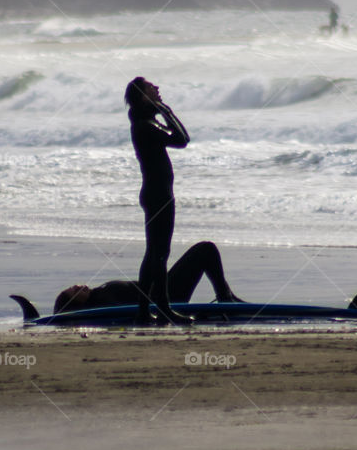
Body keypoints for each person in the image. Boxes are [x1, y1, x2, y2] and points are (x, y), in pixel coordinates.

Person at [125, 76, 193, 326]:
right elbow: (182, 139)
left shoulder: (146, 122)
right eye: (151, 88)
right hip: (157, 196)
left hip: (156, 194)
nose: (157, 88)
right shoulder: (145, 125)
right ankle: (160, 309)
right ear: (143, 96)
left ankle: (146, 311)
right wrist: (168, 111)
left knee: (156, 253)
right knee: (158, 254)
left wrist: (162, 111)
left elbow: (179, 138)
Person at [52, 240, 244, 314]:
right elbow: (125, 310)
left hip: (164, 291)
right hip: (168, 297)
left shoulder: (98, 294)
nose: (78, 286)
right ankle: (225, 300)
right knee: (205, 249)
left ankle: (225, 297)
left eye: (73, 286)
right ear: (77, 306)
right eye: (75, 292)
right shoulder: (101, 302)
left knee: (206, 249)